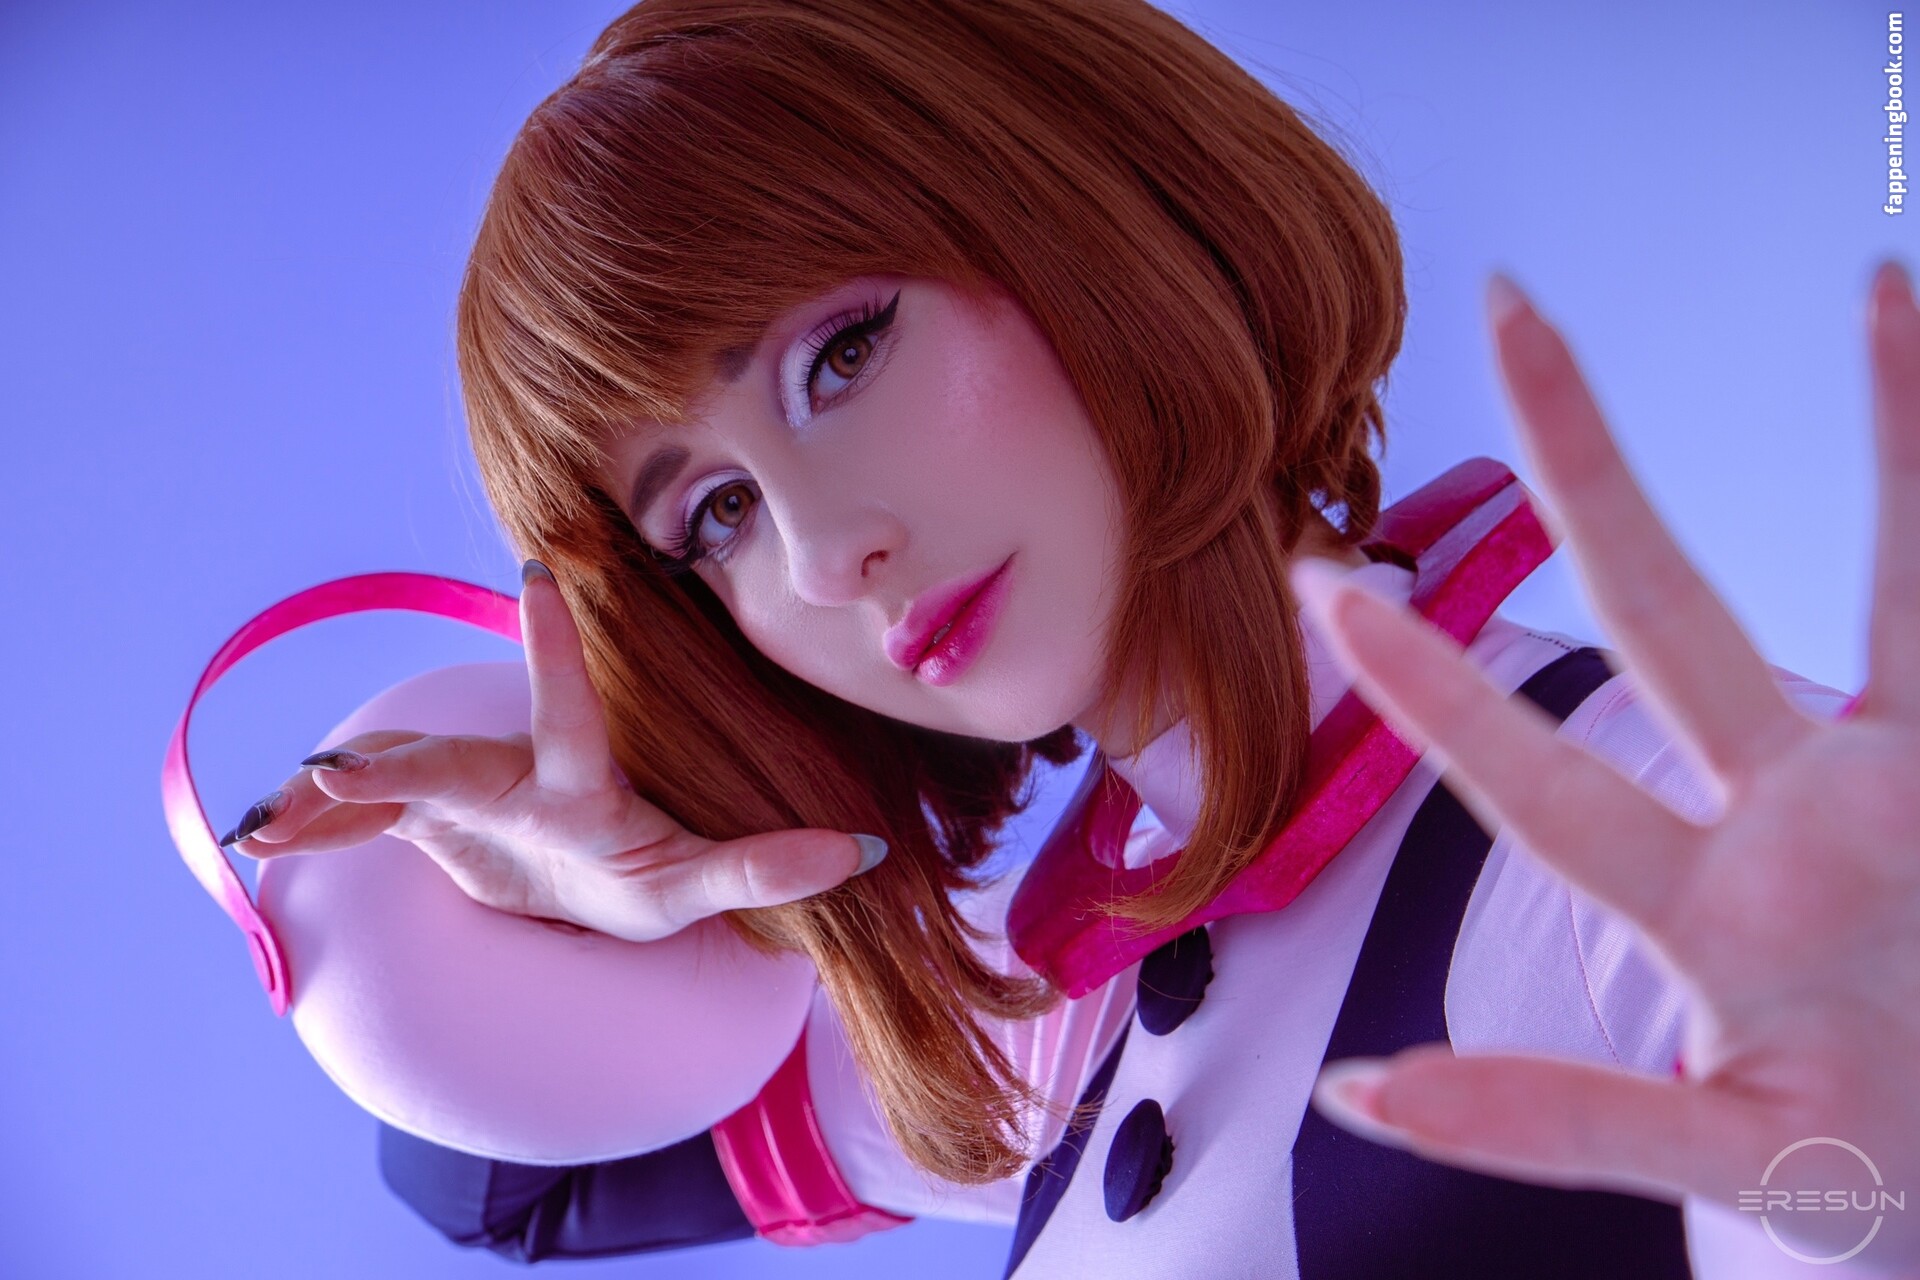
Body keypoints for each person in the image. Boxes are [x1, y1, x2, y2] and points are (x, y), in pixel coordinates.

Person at [217, 0, 1920, 1275]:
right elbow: (503, 1189)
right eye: (714, 516)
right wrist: (626, 881)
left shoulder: (1663, 834)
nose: (826, 550)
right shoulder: (1056, 1021)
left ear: (1073, 210)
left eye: (841, 352)